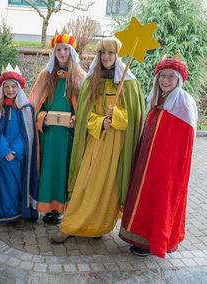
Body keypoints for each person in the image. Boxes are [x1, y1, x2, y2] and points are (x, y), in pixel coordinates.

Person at [51, 38, 144, 243]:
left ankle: (97, 227)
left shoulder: (130, 83)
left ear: (117, 56)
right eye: (103, 53)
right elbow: (84, 114)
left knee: (108, 186)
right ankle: (70, 225)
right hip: (95, 139)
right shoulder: (90, 80)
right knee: (87, 181)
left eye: (110, 53)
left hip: (117, 143)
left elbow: (135, 118)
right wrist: (101, 121)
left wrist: (117, 115)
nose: (106, 57)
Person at [119, 55, 198, 258]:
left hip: (166, 166)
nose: (165, 80)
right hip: (149, 161)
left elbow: (183, 144)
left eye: (171, 76)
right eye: (162, 75)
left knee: (159, 199)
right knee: (144, 196)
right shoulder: (157, 99)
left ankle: (154, 241)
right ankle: (140, 239)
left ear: (179, 79)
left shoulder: (183, 103)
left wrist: (167, 167)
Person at [29, 31, 86, 224]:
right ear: (54, 53)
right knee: (49, 170)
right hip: (49, 134)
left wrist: (75, 120)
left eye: (66, 49)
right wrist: (42, 118)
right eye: (58, 50)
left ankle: (63, 208)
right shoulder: (46, 76)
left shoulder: (79, 77)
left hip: (68, 136)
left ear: (71, 52)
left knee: (64, 170)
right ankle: (48, 207)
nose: (62, 53)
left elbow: (87, 107)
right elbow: (34, 104)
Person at [0, 70, 38, 228]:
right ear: (2, 88)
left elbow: (28, 133)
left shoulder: (26, 108)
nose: (10, 90)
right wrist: (4, 150)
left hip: (18, 157)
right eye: (7, 86)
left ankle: (18, 214)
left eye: (14, 86)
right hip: (2, 156)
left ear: (19, 88)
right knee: (4, 186)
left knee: (18, 184)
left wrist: (16, 150)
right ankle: (5, 214)